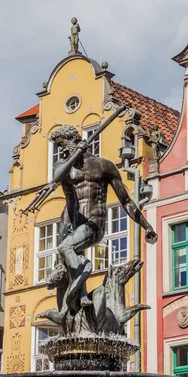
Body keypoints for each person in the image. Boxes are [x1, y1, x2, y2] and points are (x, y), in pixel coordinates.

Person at [46, 125, 157, 317]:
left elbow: (126, 201)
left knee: (65, 248)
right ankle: (78, 298)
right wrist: (74, 155)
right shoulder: (62, 166)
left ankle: (82, 277)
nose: (62, 150)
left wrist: (147, 226)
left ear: (73, 140)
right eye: (58, 147)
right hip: (72, 223)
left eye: (62, 144)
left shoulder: (103, 166)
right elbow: (56, 178)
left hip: (94, 223)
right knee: (69, 259)